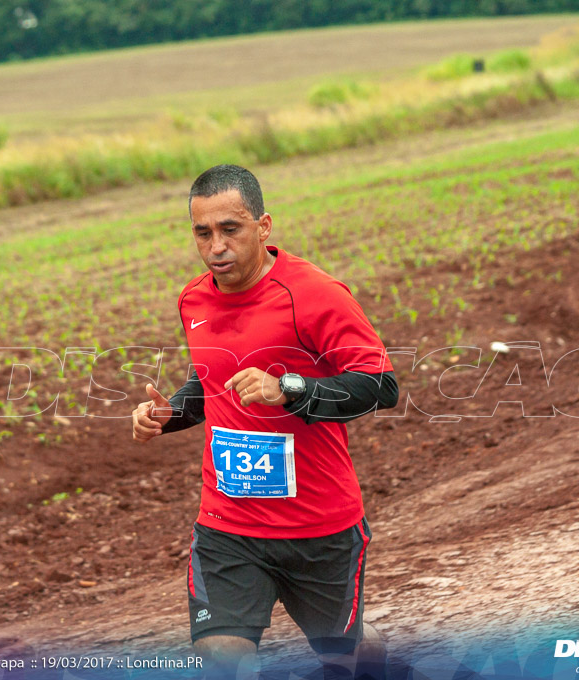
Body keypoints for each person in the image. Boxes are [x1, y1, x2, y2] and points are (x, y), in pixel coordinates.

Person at [132, 165, 399, 679]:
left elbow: (380, 385)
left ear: (263, 226)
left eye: (230, 229)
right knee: (221, 655)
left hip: (319, 526)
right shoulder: (194, 300)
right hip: (228, 524)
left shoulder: (315, 294)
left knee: (346, 657)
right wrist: (168, 415)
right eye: (202, 232)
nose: (216, 247)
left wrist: (291, 388)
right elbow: (213, 384)